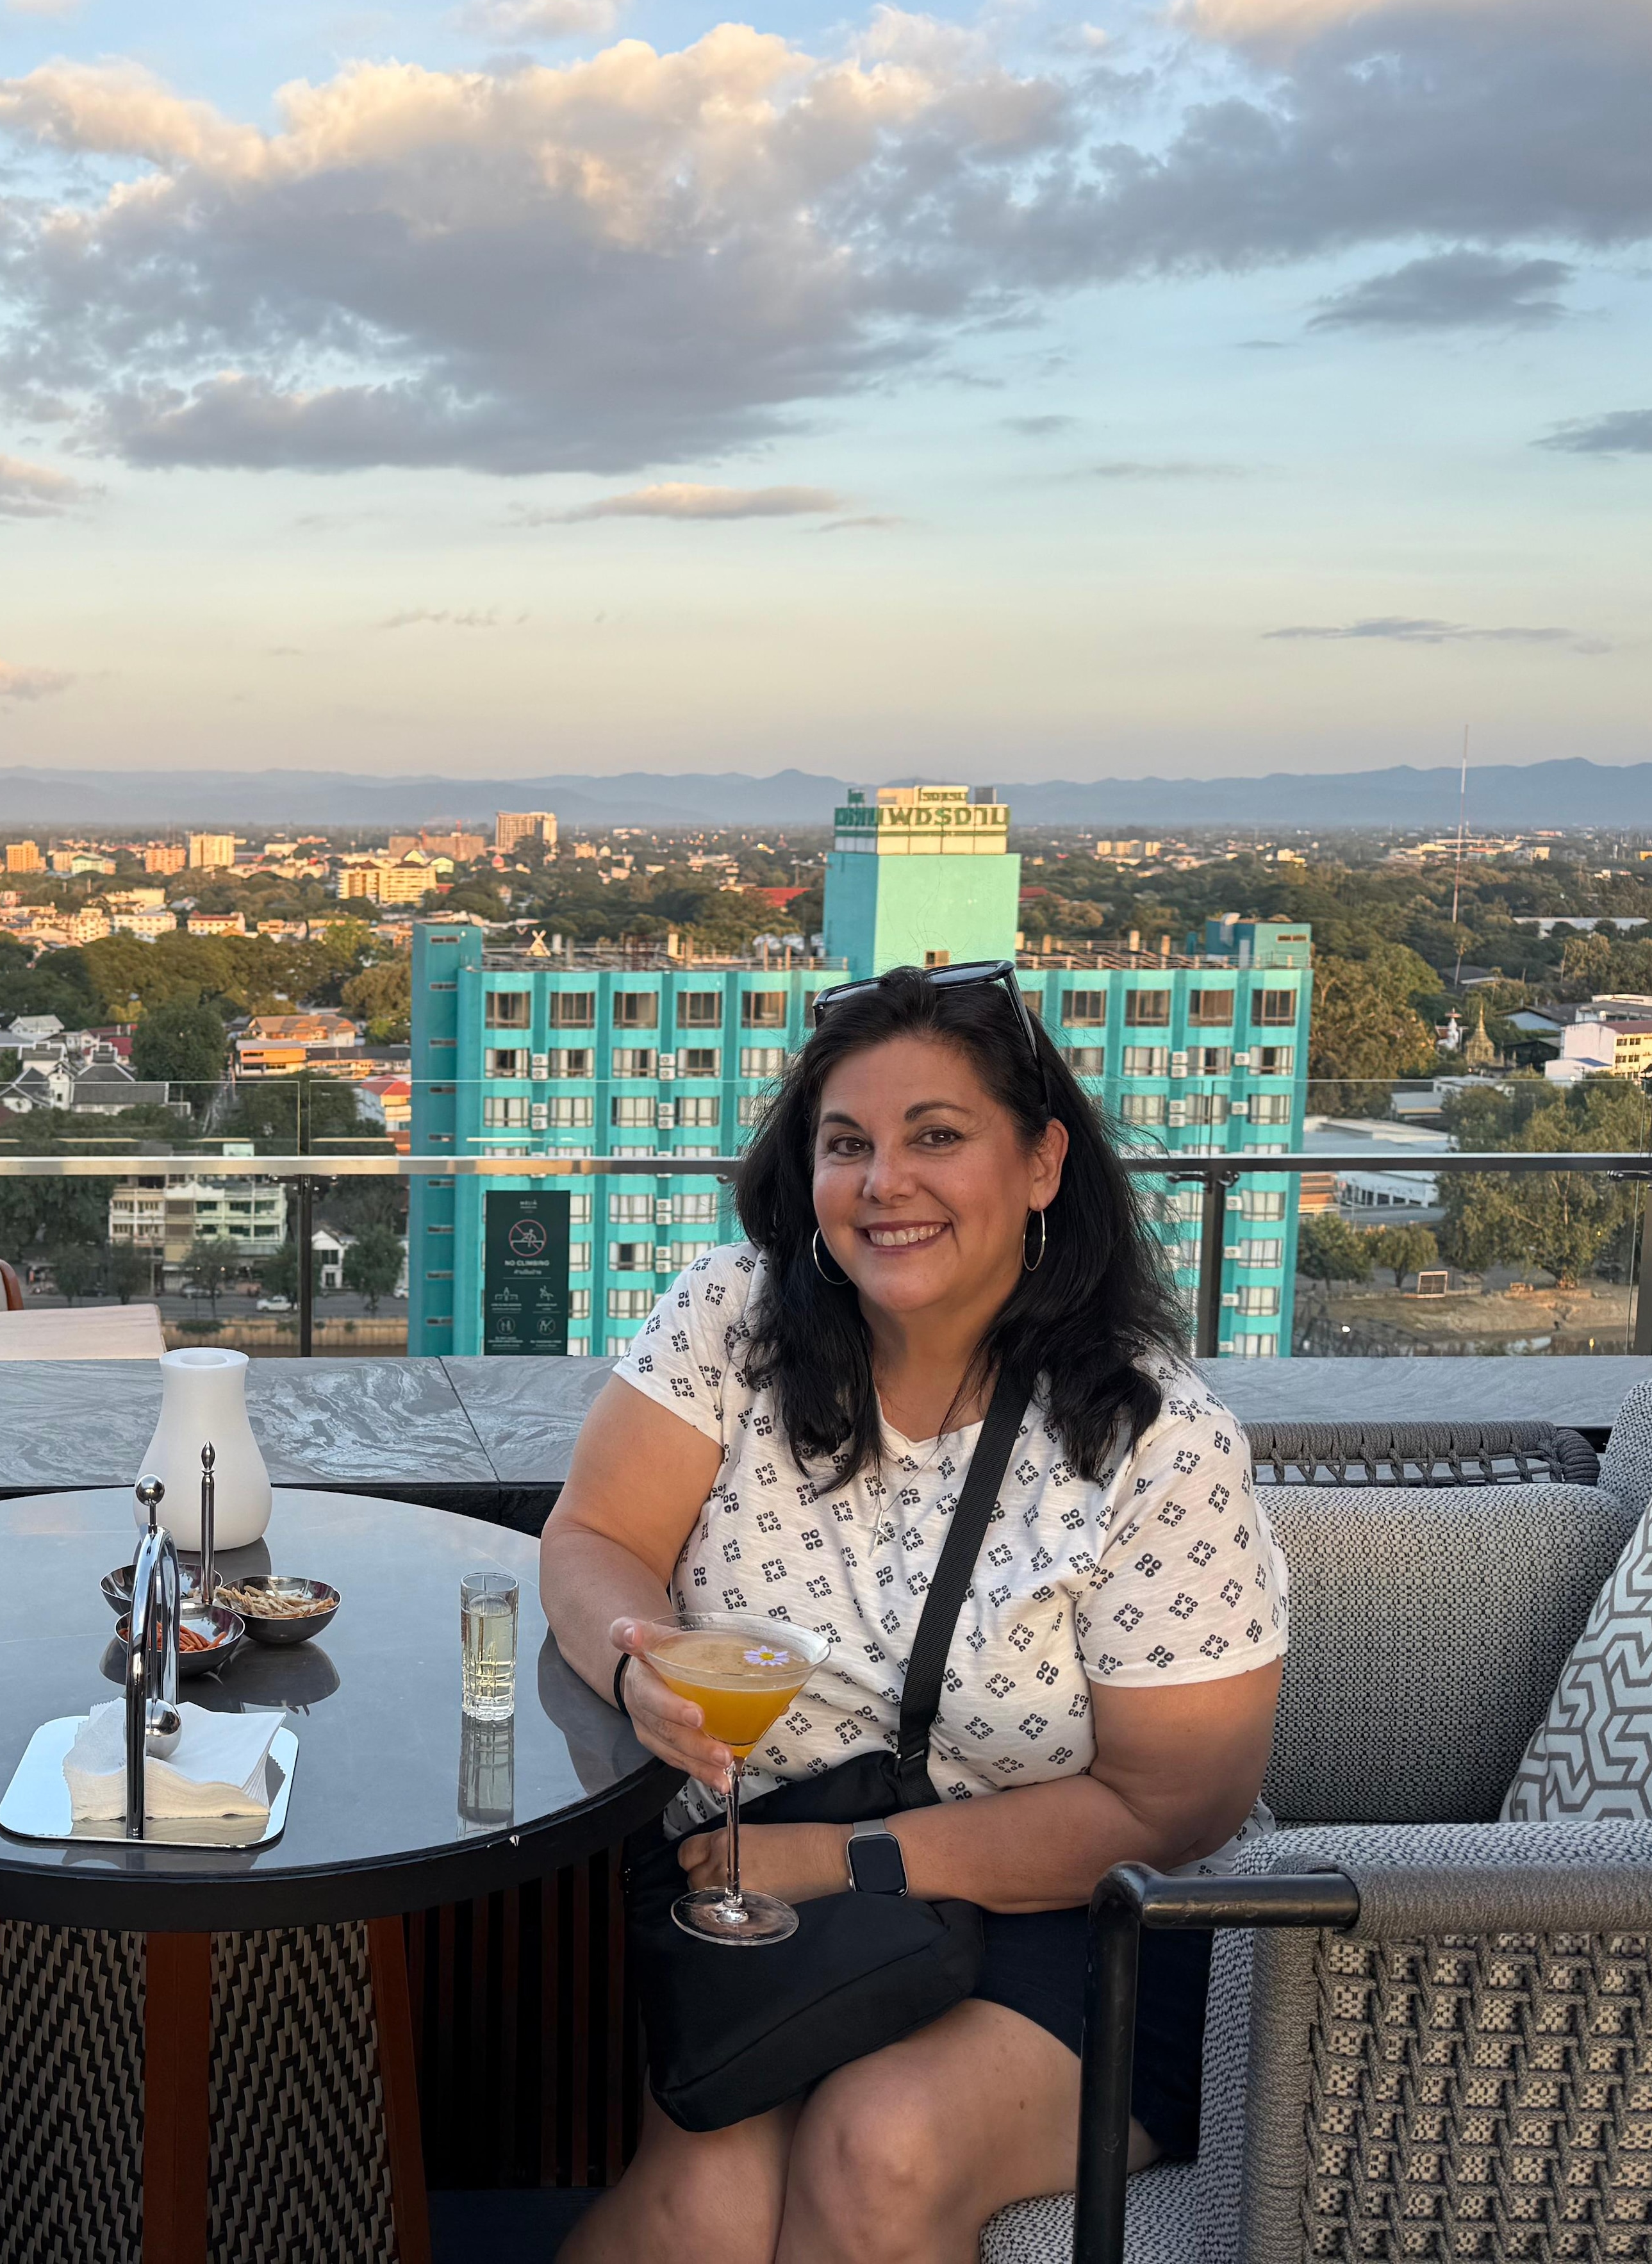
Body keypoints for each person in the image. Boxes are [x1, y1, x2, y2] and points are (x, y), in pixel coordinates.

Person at [545, 964, 1287, 2264]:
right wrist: (636, 1667)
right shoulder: (736, 1318)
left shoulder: (1152, 1441)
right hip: (753, 1878)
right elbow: (597, 1535)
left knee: (881, 2147)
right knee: (702, 2219)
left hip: (1079, 1908)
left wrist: (839, 1864)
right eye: (847, 1145)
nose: (884, 1182)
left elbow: (1173, 1808)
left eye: (936, 1137)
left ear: (1043, 1164)